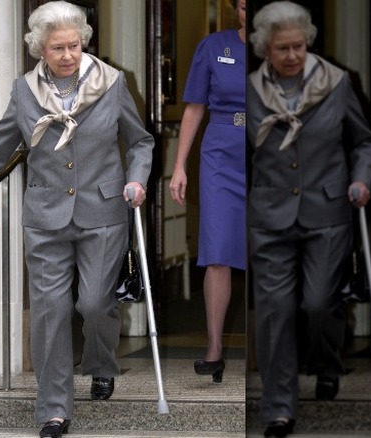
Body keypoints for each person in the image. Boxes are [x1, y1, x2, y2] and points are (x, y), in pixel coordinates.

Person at [0, 2, 153, 437]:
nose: (68, 55)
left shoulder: (112, 82)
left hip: (103, 210)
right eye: (57, 48)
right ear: (39, 50)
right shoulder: (25, 91)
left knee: (94, 302)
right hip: (45, 214)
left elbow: (140, 142)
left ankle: (102, 361)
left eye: (74, 45)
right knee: (50, 310)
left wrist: (137, 179)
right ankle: (53, 410)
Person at [246, 2, 371, 436]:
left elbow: (364, 141)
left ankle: (326, 362)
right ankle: (278, 408)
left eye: (298, 46)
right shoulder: (249, 90)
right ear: (266, 49)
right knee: (275, 311)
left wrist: (361, 180)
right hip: (270, 214)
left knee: (320, 302)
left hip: (327, 209)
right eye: (282, 48)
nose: (292, 56)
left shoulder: (337, 83)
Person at [168, 0, 246, 383]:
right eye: (246, 6)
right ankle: (214, 348)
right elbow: (195, 108)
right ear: (237, 9)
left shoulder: (286, 49)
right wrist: (179, 165)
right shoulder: (215, 46)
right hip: (220, 154)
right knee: (217, 249)